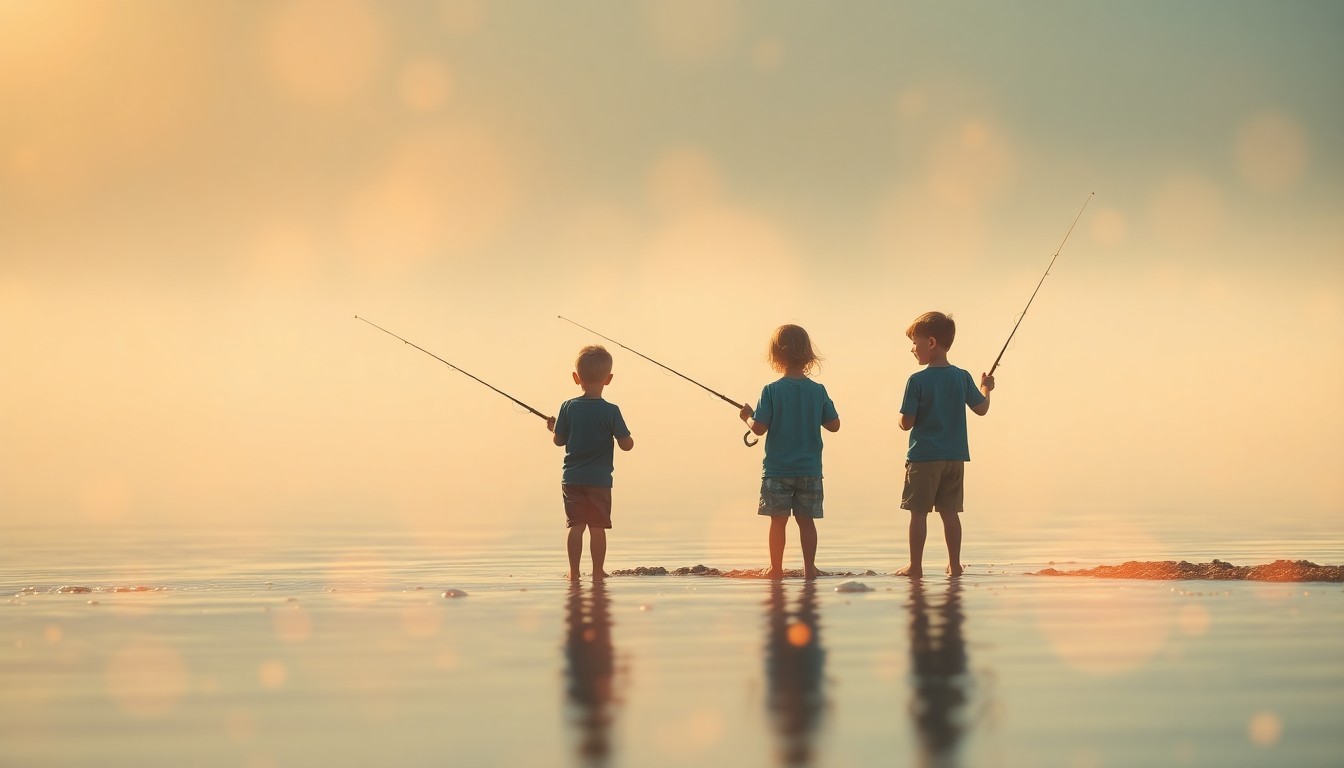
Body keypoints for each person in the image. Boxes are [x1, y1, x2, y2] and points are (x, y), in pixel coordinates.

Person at [896, 311, 994, 578]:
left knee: (918, 514)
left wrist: (901, 423)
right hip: (955, 458)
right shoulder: (962, 377)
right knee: (950, 513)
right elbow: (982, 408)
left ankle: (915, 566)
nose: (912, 349)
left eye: (915, 343)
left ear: (931, 343)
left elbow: (907, 421)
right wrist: (986, 387)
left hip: (925, 458)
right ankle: (955, 564)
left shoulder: (916, 381)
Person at [740, 324, 841, 579]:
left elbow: (760, 428)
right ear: (808, 355)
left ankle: (775, 568)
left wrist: (747, 417)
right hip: (810, 471)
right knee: (807, 522)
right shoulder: (818, 391)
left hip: (777, 470)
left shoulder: (771, 390)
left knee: (778, 522)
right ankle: (810, 569)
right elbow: (834, 425)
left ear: (776, 356)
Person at [547, 345, 634, 581]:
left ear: (576, 378)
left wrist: (554, 428)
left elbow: (559, 440)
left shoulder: (568, 407)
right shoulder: (611, 411)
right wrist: (627, 439)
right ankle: (597, 572)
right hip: (599, 481)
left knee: (575, 526)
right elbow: (626, 445)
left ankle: (573, 572)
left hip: (572, 479)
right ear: (609, 379)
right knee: (597, 528)